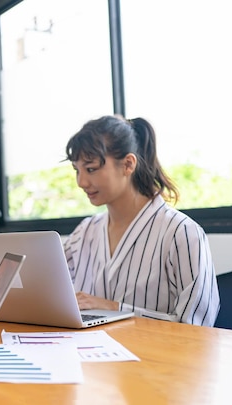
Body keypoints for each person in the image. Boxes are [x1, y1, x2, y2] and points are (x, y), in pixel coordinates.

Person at [63, 115, 220, 326]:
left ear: (128, 164)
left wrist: (114, 308)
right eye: (77, 170)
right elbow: (49, 292)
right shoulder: (85, 231)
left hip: (158, 358)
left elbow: (198, 329)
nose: (81, 182)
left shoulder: (182, 233)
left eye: (91, 169)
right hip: (91, 355)